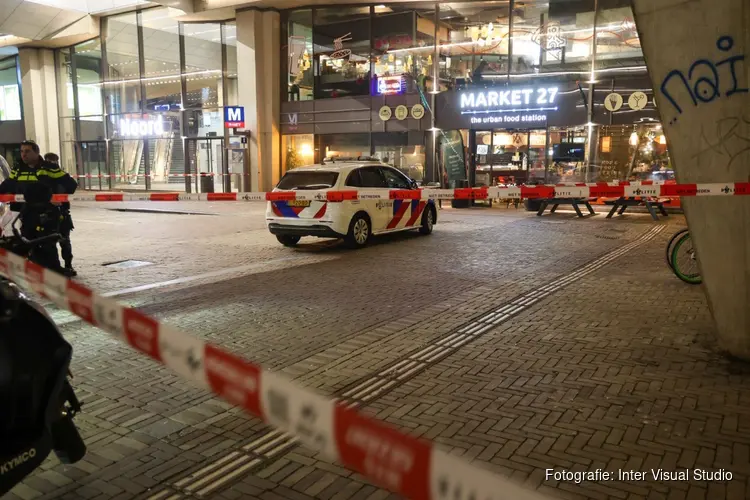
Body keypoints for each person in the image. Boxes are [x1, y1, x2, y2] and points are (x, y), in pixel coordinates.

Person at [0, 141, 77, 274]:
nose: (24, 154)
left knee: (47, 243)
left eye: (27, 151)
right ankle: (35, 270)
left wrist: (57, 197)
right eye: (22, 151)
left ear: (36, 152)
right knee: (27, 241)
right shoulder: (18, 169)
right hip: (27, 212)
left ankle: (54, 271)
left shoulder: (49, 168)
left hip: (46, 213)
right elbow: (7, 186)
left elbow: (70, 185)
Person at [43, 152, 78, 277]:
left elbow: (72, 186)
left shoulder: (62, 176)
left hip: (62, 213)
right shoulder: (42, 175)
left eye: (54, 162)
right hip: (47, 215)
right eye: (49, 162)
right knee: (49, 243)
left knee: (65, 242)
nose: (51, 165)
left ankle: (68, 265)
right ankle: (56, 268)